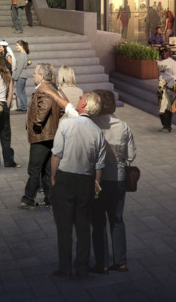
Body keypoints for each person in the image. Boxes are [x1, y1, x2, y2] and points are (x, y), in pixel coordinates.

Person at [49, 91, 109, 279]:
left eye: (83, 98)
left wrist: (53, 177)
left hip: (65, 179)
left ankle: (65, 267)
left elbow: (56, 154)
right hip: (86, 182)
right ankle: (82, 267)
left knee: (64, 227)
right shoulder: (98, 132)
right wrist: (97, 189)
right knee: (83, 228)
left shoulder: (66, 124)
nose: (80, 98)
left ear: (84, 105)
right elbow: (99, 167)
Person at [88, 90, 134, 274]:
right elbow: (131, 155)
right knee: (117, 220)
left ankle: (102, 263)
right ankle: (121, 261)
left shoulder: (92, 125)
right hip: (118, 178)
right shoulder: (123, 126)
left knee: (98, 222)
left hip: (97, 180)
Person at [21, 63, 62, 210]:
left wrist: (37, 124)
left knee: (34, 169)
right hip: (50, 135)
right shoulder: (53, 88)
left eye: (35, 73)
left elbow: (46, 105)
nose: (33, 75)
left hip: (42, 136)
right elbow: (62, 108)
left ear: (42, 76)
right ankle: (50, 199)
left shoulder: (44, 90)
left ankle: (28, 199)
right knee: (47, 170)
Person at [156, 46, 176, 133]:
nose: (164, 53)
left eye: (165, 51)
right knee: (160, 107)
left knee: (168, 107)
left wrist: (171, 84)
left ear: (168, 52)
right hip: (161, 87)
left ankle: (167, 126)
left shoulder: (172, 62)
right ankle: (164, 124)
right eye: (162, 52)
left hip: (169, 87)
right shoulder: (157, 61)